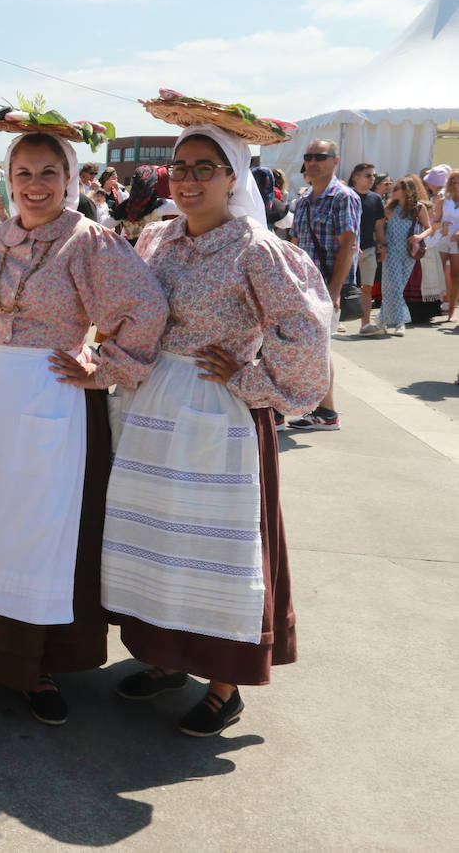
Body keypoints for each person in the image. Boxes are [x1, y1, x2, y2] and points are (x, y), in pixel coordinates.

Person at [0, 129, 168, 727]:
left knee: (36, 530)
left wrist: (103, 366)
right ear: (8, 179)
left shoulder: (89, 243)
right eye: (24, 173)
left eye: (48, 173)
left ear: (71, 179)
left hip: (50, 399)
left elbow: (147, 310)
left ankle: (34, 661)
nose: (34, 186)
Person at [103, 123, 332, 737]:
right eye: (180, 167)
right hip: (153, 410)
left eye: (207, 167)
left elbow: (307, 336)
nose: (190, 179)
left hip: (217, 411)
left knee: (214, 547)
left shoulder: (255, 250)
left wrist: (253, 377)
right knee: (159, 534)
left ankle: (225, 683)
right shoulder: (157, 239)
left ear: (234, 177)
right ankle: (162, 658)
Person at [286, 139, 359, 432]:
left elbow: (349, 245)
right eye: (309, 156)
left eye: (320, 156)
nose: (313, 161)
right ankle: (322, 410)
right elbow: (294, 244)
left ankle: (325, 411)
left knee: (317, 347)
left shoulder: (343, 197)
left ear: (335, 161)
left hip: (326, 288)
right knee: (314, 348)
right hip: (302, 288)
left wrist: (335, 290)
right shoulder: (303, 200)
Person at [377, 175, 434, 335]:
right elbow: (380, 228)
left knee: (395, 287)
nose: (392, 190)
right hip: (392, 251)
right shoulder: (388, 208)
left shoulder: (419, 208)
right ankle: (400, 322)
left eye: (396, 188)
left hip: (409, 252)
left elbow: (429, 228)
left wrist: (420, 237)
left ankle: (382, 318)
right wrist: (381, 244)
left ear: (407, 191)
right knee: (394, 286)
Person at [345, 163, 386, 335]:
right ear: (356, 177)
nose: (372, 179)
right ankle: (337, 319)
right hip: (347, 250)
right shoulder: (345, 195)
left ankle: (365, 324)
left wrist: (382, 245)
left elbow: (379, 225)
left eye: (373, 176)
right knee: (342, 286)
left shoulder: (375, 199)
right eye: (368, 175)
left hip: (369, 249)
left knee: (367, 287)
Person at [431, 167, 459, 321]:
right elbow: (434, 220)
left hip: (457, 240)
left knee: (456, 275)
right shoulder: (443, 199)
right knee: (439, 273)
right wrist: (442, 224)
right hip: (443, 238)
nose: (456, 184)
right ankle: (438, 304)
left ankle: (452, 310)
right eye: (454, 181)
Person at [111, 165, 166, 242]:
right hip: (151, 250)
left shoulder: (126, 206)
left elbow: (105, 224)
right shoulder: (161, 204)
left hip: (130, 251)